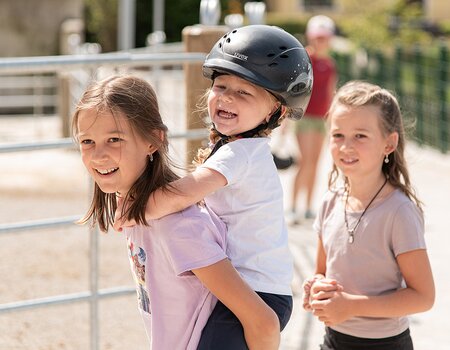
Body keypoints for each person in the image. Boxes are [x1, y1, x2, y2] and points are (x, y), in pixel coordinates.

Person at [115, 25, 313, 349]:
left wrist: (135, 211)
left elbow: (185, 192)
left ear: (275, 112)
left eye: (244, 92)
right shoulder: (239, 149)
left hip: (257, 293)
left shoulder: (240, 154)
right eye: (221, 85)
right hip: (248, 288)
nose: (227, 98)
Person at [72, 75, 283, 350]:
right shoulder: (137, 210)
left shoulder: (178, 225)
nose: (98, 155)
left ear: (153, 141)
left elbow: (263, 322)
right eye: (87, 141)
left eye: (114, 139)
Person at [302, 81, 435, 349]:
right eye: (338, 135)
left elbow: (423, 296)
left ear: (389, 143)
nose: (346, 146)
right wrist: (315, 288)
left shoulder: (399, 212)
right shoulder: (330, 202)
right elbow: (321, 271)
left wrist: (351, 307)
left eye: (360, 136)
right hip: (332, 341)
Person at [289, 15, 337, 224]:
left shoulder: (330, 63)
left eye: (324, 38)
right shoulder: (305, 59)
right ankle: (292, 207)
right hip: (305, 117)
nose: (321, 41)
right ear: (310, 37)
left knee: (316, 164)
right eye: (318, 37)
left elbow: (330, 93)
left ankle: (308, 207)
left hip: (321, 120)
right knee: (305, 162)